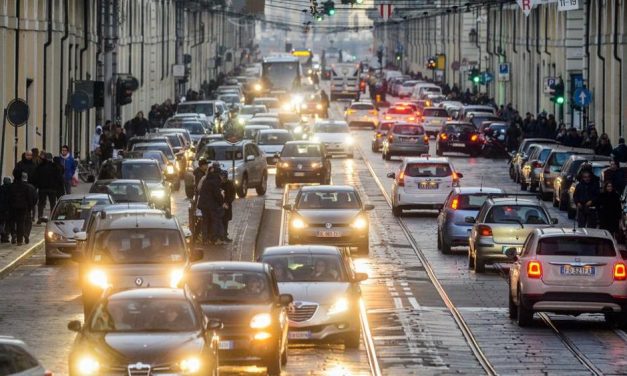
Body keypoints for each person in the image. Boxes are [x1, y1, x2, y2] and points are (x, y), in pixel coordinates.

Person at [8, 168, 36, 245]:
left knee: (13, 221)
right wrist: (30, 207)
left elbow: (9, 197)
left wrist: (10, 205)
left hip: (13, 207)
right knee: (21, 223)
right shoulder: (26, 186)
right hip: (23, 207)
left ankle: (14, 234)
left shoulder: (12, 186)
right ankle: (19, 240)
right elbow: (29, 198)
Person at [34, 153, 63, 223]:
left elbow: (36, 177)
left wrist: (37, 185)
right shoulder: (55, 166)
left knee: (41, 203)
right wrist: (57, 186)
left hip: (42, 188)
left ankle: (40, 217)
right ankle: (52, 217)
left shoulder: (40, 166)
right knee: (52, 203)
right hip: (52, 188)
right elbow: (59, 177)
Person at [20, 172, 37, 244]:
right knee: (28, 222)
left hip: (19, 207)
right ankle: (27, 234)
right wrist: (32, 206)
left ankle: (23, 233)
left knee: (21, 222)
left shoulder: (17, 186)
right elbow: (35, 198)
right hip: (28, 208)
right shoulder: (31, 187)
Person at [220, 169, 235, 241]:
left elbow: (233, 194)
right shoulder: (218, 184)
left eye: (224, 177)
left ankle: (225, 235)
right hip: (220, 205)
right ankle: (221, 235)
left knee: (226, 220)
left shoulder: (230, 183)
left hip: (228, 205)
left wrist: (229, 202)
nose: (223, 178)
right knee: (221, 220)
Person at [0, 177, 11, 243]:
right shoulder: (11, 188)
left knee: (1, 222)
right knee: (8, 223)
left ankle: (3, 236)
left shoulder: (1, 188)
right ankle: (5, 235)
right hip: (8, 208)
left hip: (1, 208)